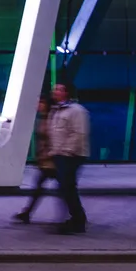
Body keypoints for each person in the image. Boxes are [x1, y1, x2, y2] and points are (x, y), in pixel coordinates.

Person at [47, 82, 91, 234]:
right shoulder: (57, 110)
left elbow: (79, 133)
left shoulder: (76, 111)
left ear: (67, 93)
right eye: (54, 89)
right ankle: (77, 219)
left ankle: (78, 221)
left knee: (68, 188)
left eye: (59, 89)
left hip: (72, 156)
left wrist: (67, 151)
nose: (55, 91)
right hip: (61, 155)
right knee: (67, 188)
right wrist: (54, 152)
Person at [13, 95, 56, 224]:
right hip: (46, 160)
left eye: (41, 103)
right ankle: (27, 213)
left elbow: (54, 139)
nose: (38, 105)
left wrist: (49, 154)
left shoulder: (51, 119)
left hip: (53, 160)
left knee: (67, 189)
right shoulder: (42, 118)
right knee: (39, 188)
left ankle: (78, 215)